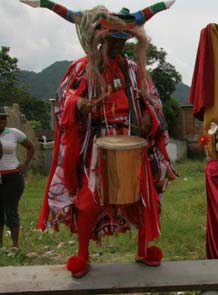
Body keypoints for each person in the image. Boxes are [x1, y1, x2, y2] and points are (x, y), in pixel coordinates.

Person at [24, 1, 177, 278]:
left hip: (132, 141)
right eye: (111, 39)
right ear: (99, 39)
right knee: (88, 201)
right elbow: (64, 97)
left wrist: (148, 117)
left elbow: (153, 101)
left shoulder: (134, 69)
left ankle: (143, 249)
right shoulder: (83, 68)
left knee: (146, 197)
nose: (117, 45)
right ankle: (83, 253)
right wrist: (80, 103)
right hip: (97, 144)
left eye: (122, 39)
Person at [0, 107, 35, 249]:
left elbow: (31, 147)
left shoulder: (14, 133)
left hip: (13, 177)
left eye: (3, 118)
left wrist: (25, 164)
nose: (1, 120)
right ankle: (1, 245)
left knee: (11, 210)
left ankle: (15, 246)